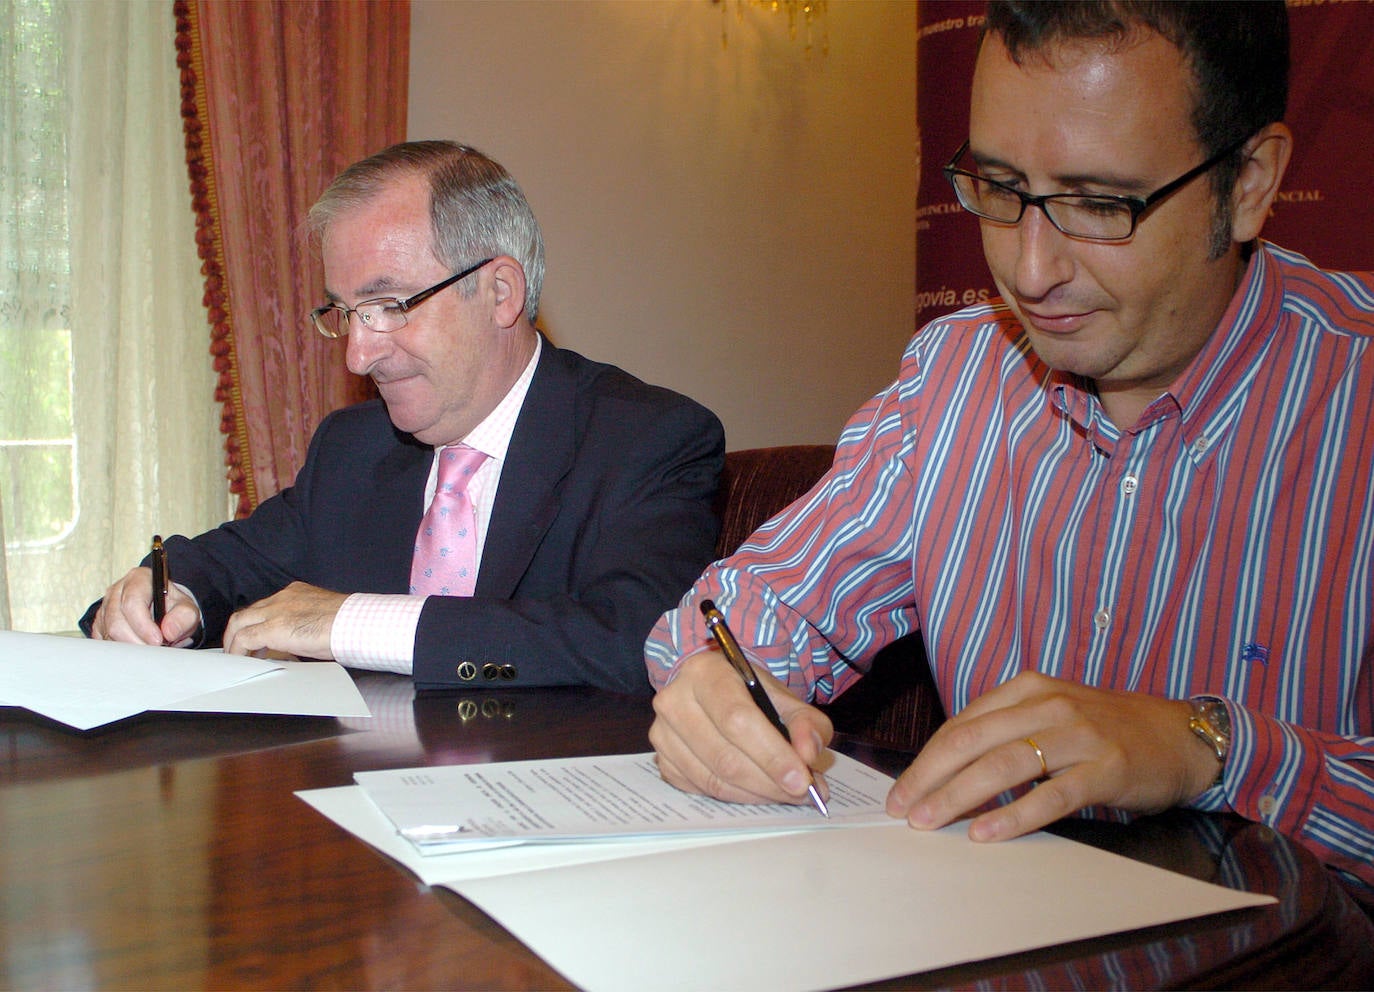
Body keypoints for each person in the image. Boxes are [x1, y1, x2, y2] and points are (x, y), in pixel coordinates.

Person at [645, 0, 1374, 897]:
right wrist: (716, 688)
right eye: (999, 188)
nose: (1031, 272)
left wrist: (1207, 748)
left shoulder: (1356, 395)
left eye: (1100, 203)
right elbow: (743, 613)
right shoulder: (955, 376)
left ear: (1252, 181)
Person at [84, 141, 724, 694]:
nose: (360, 354)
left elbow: (639, 641)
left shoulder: (649, 439)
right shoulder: (354, 447)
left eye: (389, 304)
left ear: (500, 291)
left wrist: (353, 622)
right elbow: (231, 562)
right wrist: (167, 595)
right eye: (345, 312)